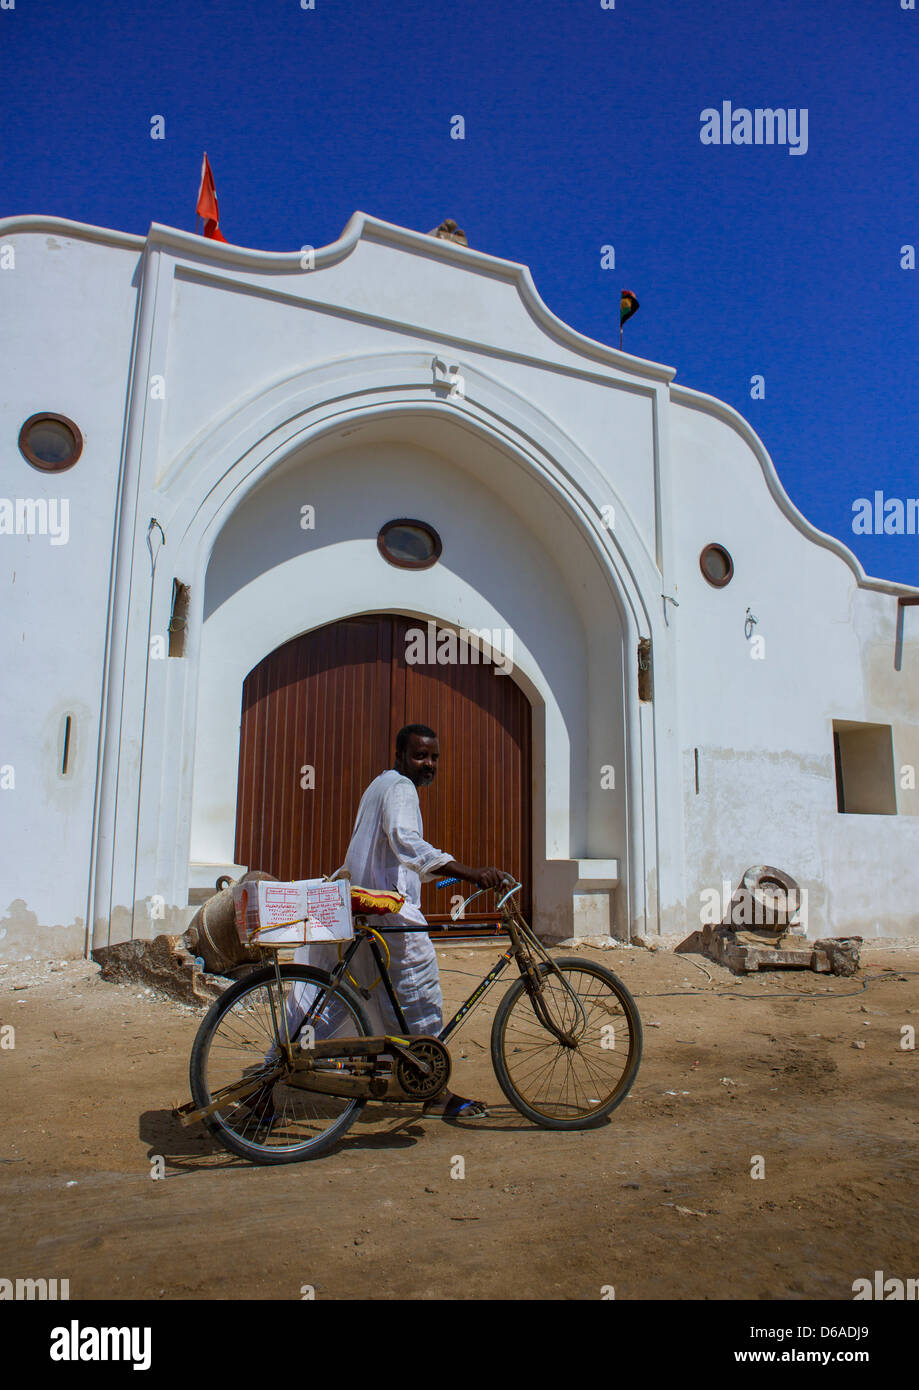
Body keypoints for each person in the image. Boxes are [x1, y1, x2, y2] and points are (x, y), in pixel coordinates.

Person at [297, 723, 509, 1119]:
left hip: (365, 911)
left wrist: (445, 873)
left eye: (434, 757)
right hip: (389, 916)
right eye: (420, 755)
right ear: (399, 756)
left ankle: (273, 1075)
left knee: (334, 1002)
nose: (428, 763)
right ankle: (433, 1092)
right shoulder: (401, 788)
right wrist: (471, 872)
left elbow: (395, 853)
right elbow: (405, 840)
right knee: (419, 997)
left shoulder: (381, 785)